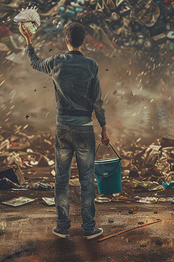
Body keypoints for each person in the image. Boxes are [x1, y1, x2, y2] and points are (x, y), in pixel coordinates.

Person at [20, 21, 110, 240]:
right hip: (85, 129)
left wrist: (28, 40)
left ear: (66, 40)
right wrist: (104, 128)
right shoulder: (91, 65)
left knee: (61, 178)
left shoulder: (57, 61)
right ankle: (89, 228)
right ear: (83, 41)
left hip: (63, 129)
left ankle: (62, 227)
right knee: (87, 179)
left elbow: (35, 62)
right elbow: (97, 100)